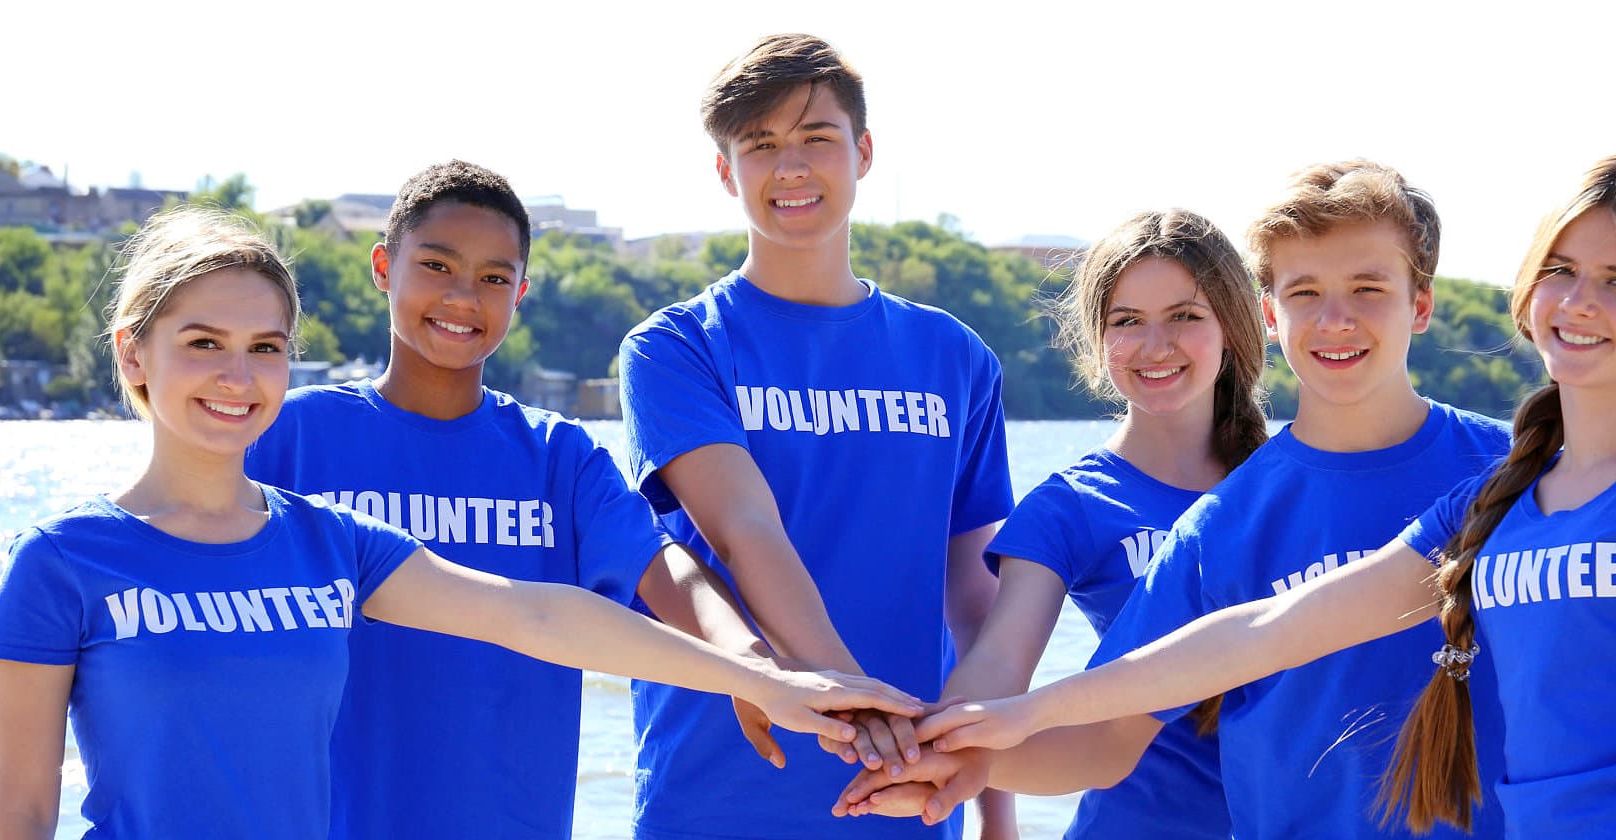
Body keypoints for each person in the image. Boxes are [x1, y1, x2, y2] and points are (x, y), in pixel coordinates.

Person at [909, 153, 1616, 839]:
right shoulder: (1459, 507)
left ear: (1422, 304)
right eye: (1561, 272)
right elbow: (1257, 637)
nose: (1336, 320)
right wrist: (993, 733)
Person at [0, 207, 922, 840]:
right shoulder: (63, 564)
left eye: (266, 348)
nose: (238, 376)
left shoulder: (330, 541)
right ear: (134, 355)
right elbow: (23, 810)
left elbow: (538, 615)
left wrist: (767, 677)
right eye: (203, 345)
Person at [846, 161, 1512, 839]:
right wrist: (953, 756)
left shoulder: (1515, 472)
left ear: (1421, 303)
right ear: (1270, 315)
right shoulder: (1213, 529)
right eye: (1305, 292)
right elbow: (1105, 738)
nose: (1335, 318)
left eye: (1368, 288)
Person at [245, 160, 795, 839]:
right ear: (384, 266)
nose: (463, 297)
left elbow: (664, 565)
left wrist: (748, 658)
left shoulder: (558, 458)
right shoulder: (285, 440)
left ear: (521, 293)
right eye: (438, 267)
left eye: (494, 278)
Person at [617, 33, 1012, 839]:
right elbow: (742, 527)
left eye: (816, 139)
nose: (790, 167)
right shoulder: (676, 348)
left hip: (904, 795)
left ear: (862, 153)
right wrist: (856, 699)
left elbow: (974, 598)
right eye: (760, 145)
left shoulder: (955, 357)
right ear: (726, 172)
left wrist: (993, 805)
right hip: (716, 798)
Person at [845, 210, 1265, 838]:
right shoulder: (1069, 506)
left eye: (1184, 316)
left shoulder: (1286, 481)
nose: (1155, 346)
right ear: (1097, 341)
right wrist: (935, 752)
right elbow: (996, 666)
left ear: (1232, 327)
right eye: (1127, 321)